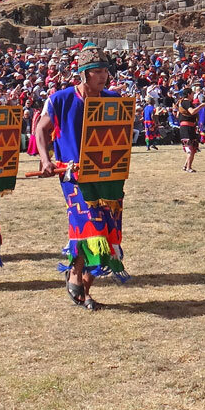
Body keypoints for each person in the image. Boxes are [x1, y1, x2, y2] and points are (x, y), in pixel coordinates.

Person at [34, 44, 128, 311]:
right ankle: (79, 283)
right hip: (74, 178)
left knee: (108, 235)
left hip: (109, 178)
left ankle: (85, 283)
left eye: (105, 71)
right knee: (90, 229)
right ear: (85, 74)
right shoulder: (61, 99)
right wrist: (45, 159)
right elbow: (41, 130)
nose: (103, 77)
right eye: (97, 71)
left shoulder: (112, 100)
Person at [177, 88, 205, 173]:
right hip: (187, 128)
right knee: (190, 149)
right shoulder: (186, 102)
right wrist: (200, 106)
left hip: (188, 127)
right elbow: (192, 112)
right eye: (192, 93)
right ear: (188, 94)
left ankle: (186, 166)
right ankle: (189, 168)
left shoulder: (181, 102)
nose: (193, 95)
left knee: (191, 148)